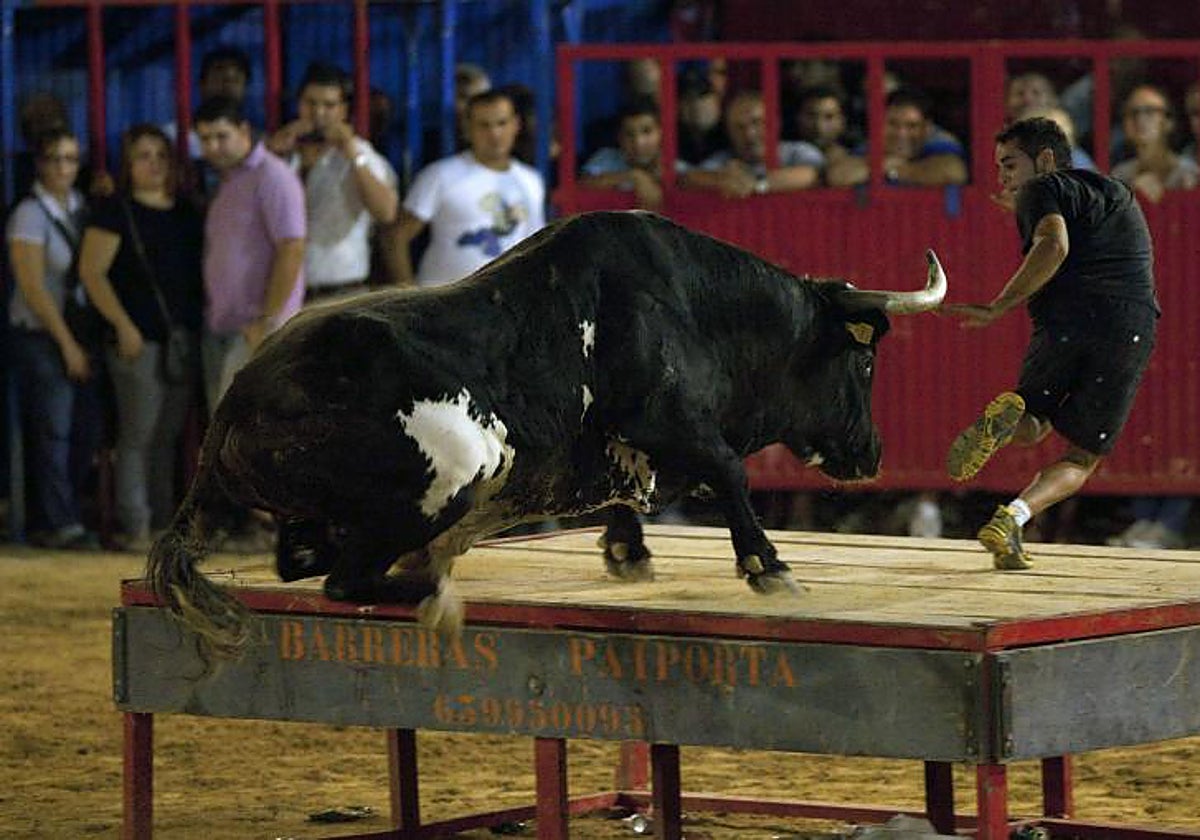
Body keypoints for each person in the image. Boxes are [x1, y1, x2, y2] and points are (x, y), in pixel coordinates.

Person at [944, 116, 1158, 570]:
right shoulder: (1116, 191)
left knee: (1034, 419)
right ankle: (1013, 518)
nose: (1002, 178)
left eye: (1009, 165)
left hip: (1063, 320)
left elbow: (1054, 245)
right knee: (1083, 456)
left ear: (1044, 159)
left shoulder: (1041, 188)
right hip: (1126, 324)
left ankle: (1006, 426)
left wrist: (998, 306)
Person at [76, 124, 204, 552]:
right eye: (143, 156)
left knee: (166, 437)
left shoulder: (186, 212)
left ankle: (162, 524)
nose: (154, 165)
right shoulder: (116, 212)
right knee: (137, 436)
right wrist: (122, 324)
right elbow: (92, 273)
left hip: (179, 341)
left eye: (161, 155)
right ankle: (136, 525)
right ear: (128, 166)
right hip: (137, 341)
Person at [5, 127, 99, 549]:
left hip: (75, 331)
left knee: (84, 430)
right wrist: (66, 344)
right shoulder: (29, 214)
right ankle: (56, 521)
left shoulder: (79, 206)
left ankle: (66, 513)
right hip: (41, 334)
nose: (63, 167)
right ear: (39, 165)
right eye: (54, 159)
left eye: (71, 159)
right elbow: (32, 286)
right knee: (53, 431)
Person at [193, 95, 306, 410]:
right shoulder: (229, 180)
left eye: (221, 136)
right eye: (205, 139)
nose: (213, 147)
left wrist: (268, 321)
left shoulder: (272, 176)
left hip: (257, 329)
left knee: (245, 427)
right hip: (225, 326)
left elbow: (292, 248)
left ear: (244, 131)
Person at [266, 62, 398, 303]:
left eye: (329, 105)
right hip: (284, 294)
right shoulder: (283, 153)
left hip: (342, 292)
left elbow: (386, 213)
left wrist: (352, 155)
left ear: (343, 110)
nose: (318, 113)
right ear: (299, 105)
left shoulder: (361, 154)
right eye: (310, 103)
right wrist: (273, 155)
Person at [394, 88, 545, 289]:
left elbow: (536, 245)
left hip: (507, 299)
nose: (494, 134)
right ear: (467, 128)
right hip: (443, 299)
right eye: (484, 125)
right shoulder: (440, 175)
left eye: (502, 123)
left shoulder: (530, 180)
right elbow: (397, 237)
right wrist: (408, 294)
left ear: (516, 125)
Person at [680, 90, 822, 197]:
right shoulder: (724, 159)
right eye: (739, 127)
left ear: (776, 123)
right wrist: (720, 179)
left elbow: (815, 173)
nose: (749, 134)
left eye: (757, 122)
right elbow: (688, 177)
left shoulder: (797, 151)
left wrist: (756, 185)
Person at [579, 98, 675, 210]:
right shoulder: (606, 157)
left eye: (647, 131)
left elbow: (688, 179)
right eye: (629, 134)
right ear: (619, 137)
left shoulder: (673, 164)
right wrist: (634, 176)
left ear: (661, 133)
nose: (638, 142)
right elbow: (582, 183)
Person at [1109, 83, 1198, 203]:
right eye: (1133, 112)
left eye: (1149, 111)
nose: (1140, 119)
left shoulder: (1190, 173)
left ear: (1168, 122)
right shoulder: (1120, 174)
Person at [879, 86, 968, 186]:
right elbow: (862, 169)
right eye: (892, 124)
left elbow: (954, 172)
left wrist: (893, 170)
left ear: (927, 128)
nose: (901, 133)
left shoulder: (939, 142)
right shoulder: (874, 140)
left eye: (912, 126)